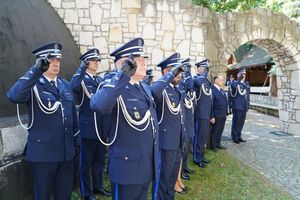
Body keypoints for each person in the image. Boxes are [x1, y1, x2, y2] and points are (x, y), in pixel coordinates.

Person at [90, 38, 184, 200]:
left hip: (145, 165)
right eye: (138, 59)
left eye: (144, 59)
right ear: (124, 63)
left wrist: (171, 74)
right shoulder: (113, 85)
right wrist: (123, 75)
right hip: (126, 168)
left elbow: (156, 90)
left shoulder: (142, 87)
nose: (144, 62)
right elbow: (98, 104)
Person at [7, 42, 79, 200]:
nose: (56, 64)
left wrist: (76, 143)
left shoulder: (65, 85)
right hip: (44, 155)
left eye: (58, 60)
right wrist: (35, 71)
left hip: (66, 152)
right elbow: (14, 96)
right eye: (51, 60)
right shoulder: (33, 85)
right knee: (43, 195)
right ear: (42, 62)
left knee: (64, 195)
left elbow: (73, 117)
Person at [70, 48, 111, 200]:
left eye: (97, 60)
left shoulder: (99, 81)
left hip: (100, 129)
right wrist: (81, 68)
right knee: (85, 163)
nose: (97, 63)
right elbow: (72, 87)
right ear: (87, 62)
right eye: (94, 60)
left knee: (99, 160)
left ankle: (98, 186)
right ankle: (86, 192)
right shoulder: (81, 80)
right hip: (87, 128)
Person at [155, 52, 185, 200]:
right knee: (163, 178)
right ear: (166, 71)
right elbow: (154, 90)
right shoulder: (161, 89)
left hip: (177, 140)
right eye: (176, 71)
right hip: (166, 142)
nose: (179, 74)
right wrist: (168, 77)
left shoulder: (175, 89)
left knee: (172, 178)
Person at [193, 59, 213, 168]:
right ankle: (197, 158)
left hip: (206, 113)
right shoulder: (196, 80)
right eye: (203, 67)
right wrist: (203, 76)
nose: (205, 69)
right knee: (199, 136)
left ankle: (202, 156)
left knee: (204, 137)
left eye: (206, 68)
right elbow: (197, 83)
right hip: (200, 114)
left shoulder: (205, 81)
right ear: (197, 68)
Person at [180, 58, 195, 179]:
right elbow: (188, 85)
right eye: (185, 69)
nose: (187, 72)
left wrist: (188, 74)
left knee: (187, 146)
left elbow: (190, 86)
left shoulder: (186, 84)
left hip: (189, 121)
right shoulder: (179, 85)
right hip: (183, 122)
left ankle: (184, 167)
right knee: (183, 148)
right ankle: (180, 172)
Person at [230, 68, 250, 143]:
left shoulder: (247, 83)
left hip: (244, 106)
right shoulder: (235, 82)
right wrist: (239, 80)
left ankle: (239, 135)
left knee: (241, 122)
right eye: (242, 74)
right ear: (238, 75)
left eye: (244, 74)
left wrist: (248, 104)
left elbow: (248, 95)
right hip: (237, 106)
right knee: (236, 122)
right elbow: (233, 87)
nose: (243, 75)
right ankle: (234, 137)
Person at [210, 75, 228, 151]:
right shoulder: (212, 90)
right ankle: (213, 145)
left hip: (223, 114)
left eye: (222, 80)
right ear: (216, 80)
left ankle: (218, 143)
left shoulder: (221, 90)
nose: (222, 81)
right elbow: (211, 104)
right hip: (216, 114)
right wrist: (212, 116)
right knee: (215, 130)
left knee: (220, 130)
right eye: (220, 80)